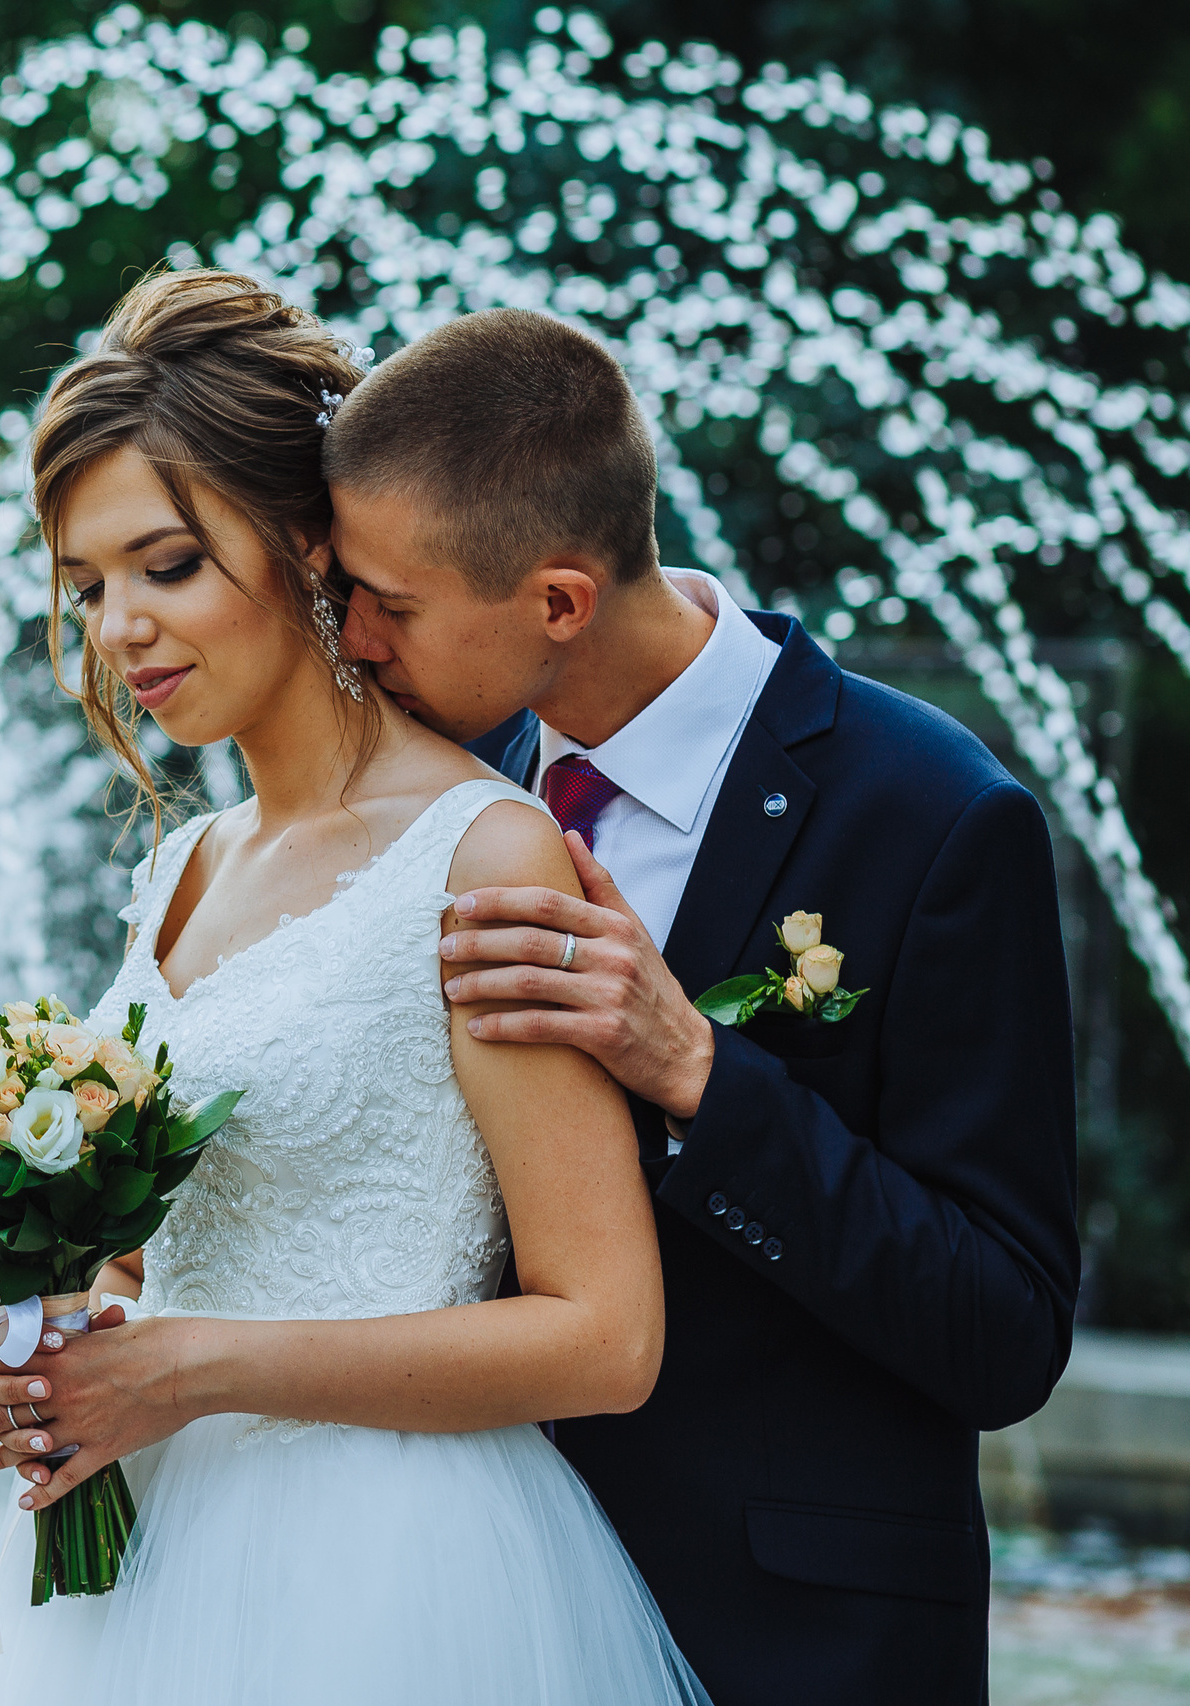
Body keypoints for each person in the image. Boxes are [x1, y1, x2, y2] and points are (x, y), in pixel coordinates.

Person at [0, 270, 709, 1704]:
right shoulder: (188, 868)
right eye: (88, 587)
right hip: (163, 1554)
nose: (120, 629)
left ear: (300, 546)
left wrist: (193, 1364)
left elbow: (608, 1333)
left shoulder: (481, 850)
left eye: (168, 566)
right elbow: (169, 1257)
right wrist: (61, 1334)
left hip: (387, 1575)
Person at [327, 308, 1080, 1703]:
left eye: (394, 603)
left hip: (788, 1642)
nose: (352, 640)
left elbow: (1007, 1329)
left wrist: (700, 1073)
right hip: (464, 1615)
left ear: (559, 601)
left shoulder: (937, 818)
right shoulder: (429, 790)